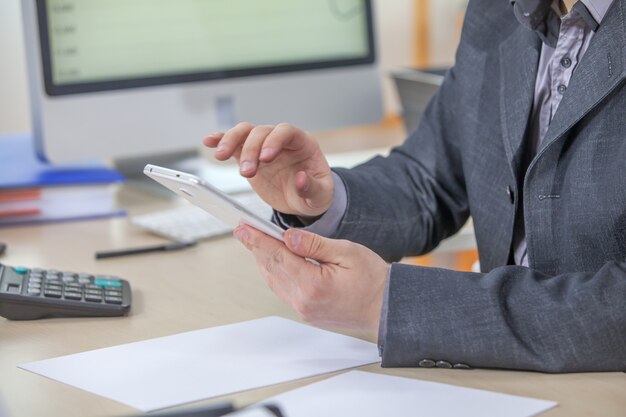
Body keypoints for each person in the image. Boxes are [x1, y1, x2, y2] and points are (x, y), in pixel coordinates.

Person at [203, 0, 626, 373]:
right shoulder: (497, 12)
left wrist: (390, 302)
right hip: (500, 380)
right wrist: (318, 196)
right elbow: (429, 177)